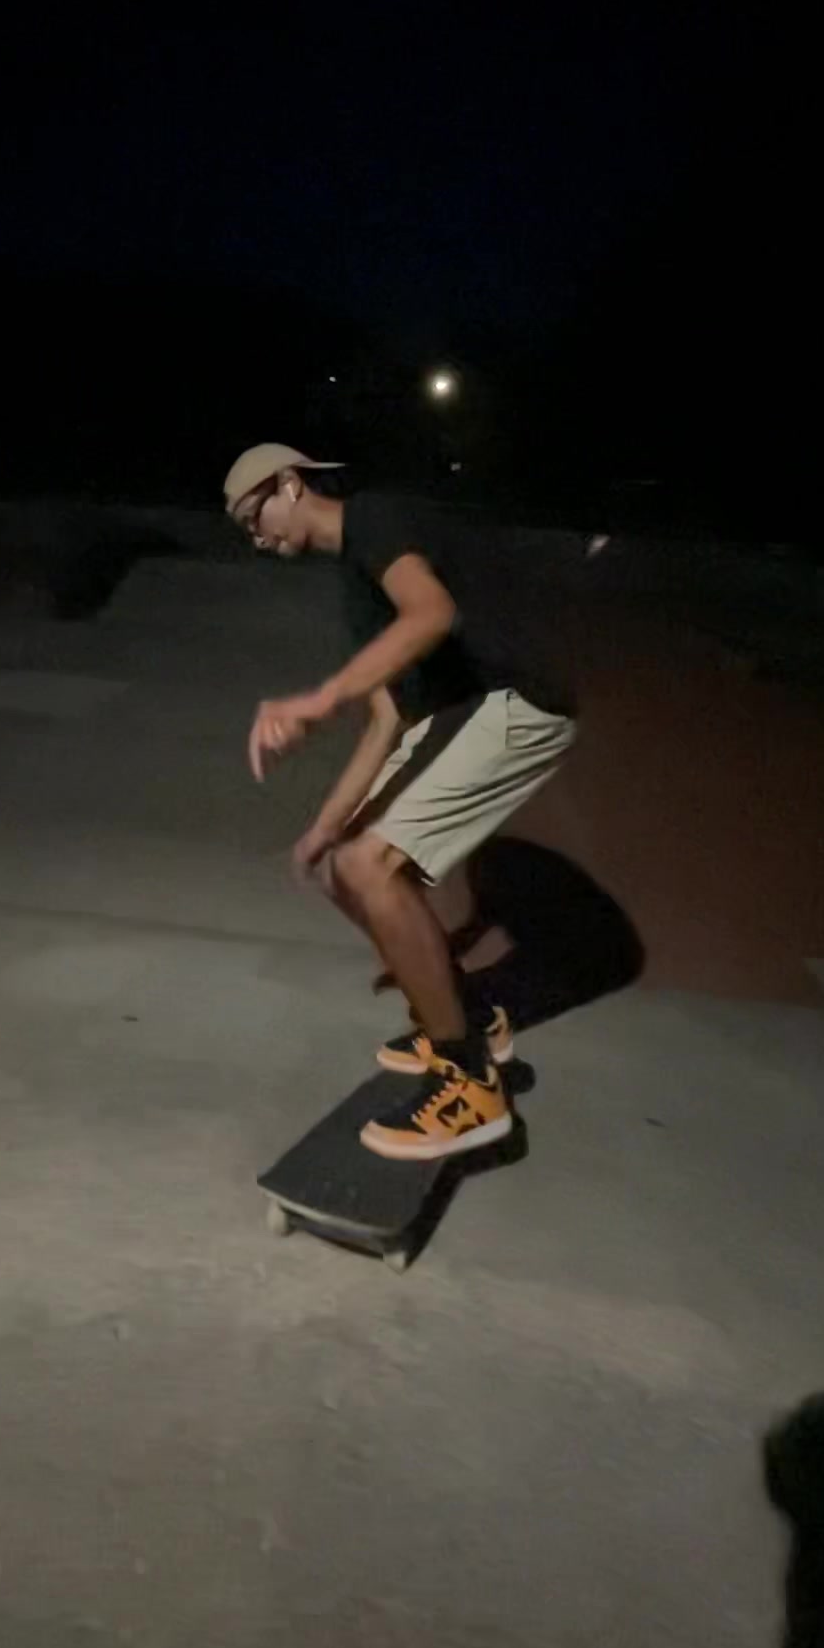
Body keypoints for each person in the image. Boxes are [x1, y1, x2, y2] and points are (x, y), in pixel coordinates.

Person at [224, 442, 578, 1161]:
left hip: (517, 700)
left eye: (254, 518)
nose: (257, 538)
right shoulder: (357, 588)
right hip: (459, 712)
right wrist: (322, 829)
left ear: (289, 485)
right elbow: (388, 720)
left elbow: (432, 613)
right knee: (342, 865)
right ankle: (466, 1014)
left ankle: (468, 1082)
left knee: (372, 866)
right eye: (245, 533)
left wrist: (319, 698)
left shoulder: (376, 520)